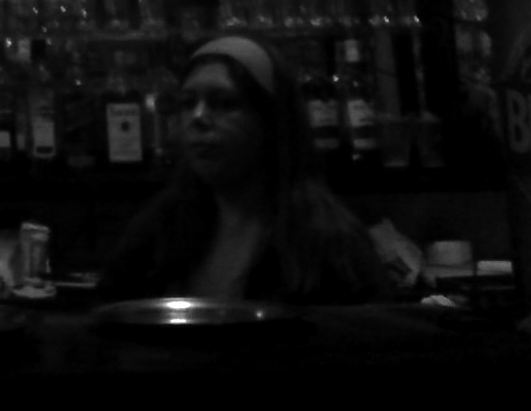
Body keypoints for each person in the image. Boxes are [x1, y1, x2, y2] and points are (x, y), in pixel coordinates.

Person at [97, 34, 391, 305]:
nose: (198, 117)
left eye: (224, 103)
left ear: (272, 122)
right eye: (187, 103)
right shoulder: (159, 230)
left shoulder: (327, 242)